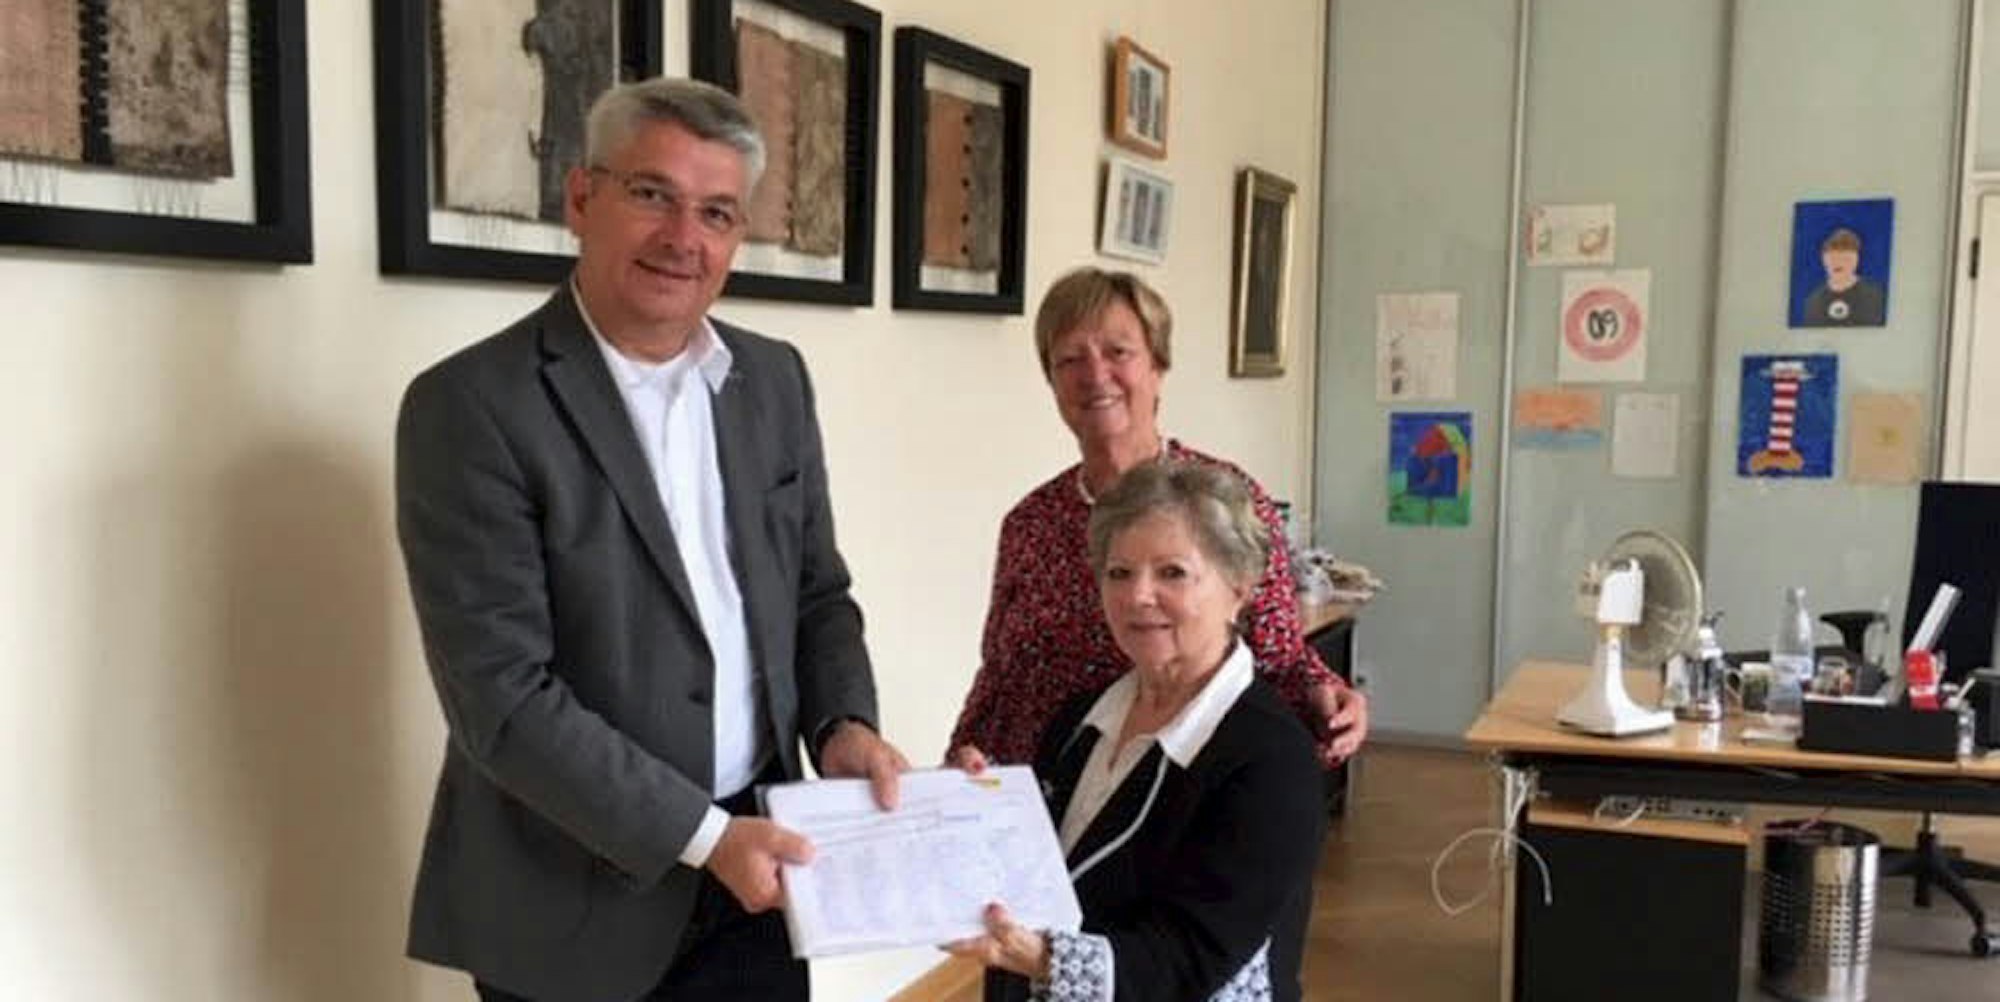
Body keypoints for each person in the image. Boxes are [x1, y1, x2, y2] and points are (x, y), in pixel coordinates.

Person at [395, 78, 908, 1002]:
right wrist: (706, 839)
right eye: (651, 194)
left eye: (716, 212)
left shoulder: (774, 380)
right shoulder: (470, 406)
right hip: (568, 892)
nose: (684, 237)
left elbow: (816, 593)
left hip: (760, 865)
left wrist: (843, 729)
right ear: (580, 198)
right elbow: (501, 697)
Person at [947, 460, 1328, 1001]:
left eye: (1172, 572)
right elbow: (1039, 875)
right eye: (1119, 573)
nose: (1137, 596)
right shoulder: (1077, 720)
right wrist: (980, 810)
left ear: (1240, 588)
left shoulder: (1273, 759)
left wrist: (1041, 959)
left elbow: (1190, 958)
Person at [1801, 227, 1886, 326]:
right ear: (1824, 260)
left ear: (1856, 260)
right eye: (1833, 258)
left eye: (1845, 258)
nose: (1838, 263)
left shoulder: (1877, 296)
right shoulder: (1812, 303)